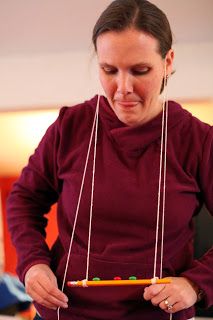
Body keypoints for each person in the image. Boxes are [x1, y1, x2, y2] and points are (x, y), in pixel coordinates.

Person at [6, 0, 213, 319]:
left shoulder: (199, 141)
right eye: (109, 70)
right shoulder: (70, 127)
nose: (123, 89)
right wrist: (33, 264)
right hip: (66, 312)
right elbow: (23, 199)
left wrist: (196, 283)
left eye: (140, 70)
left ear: (168, 61)